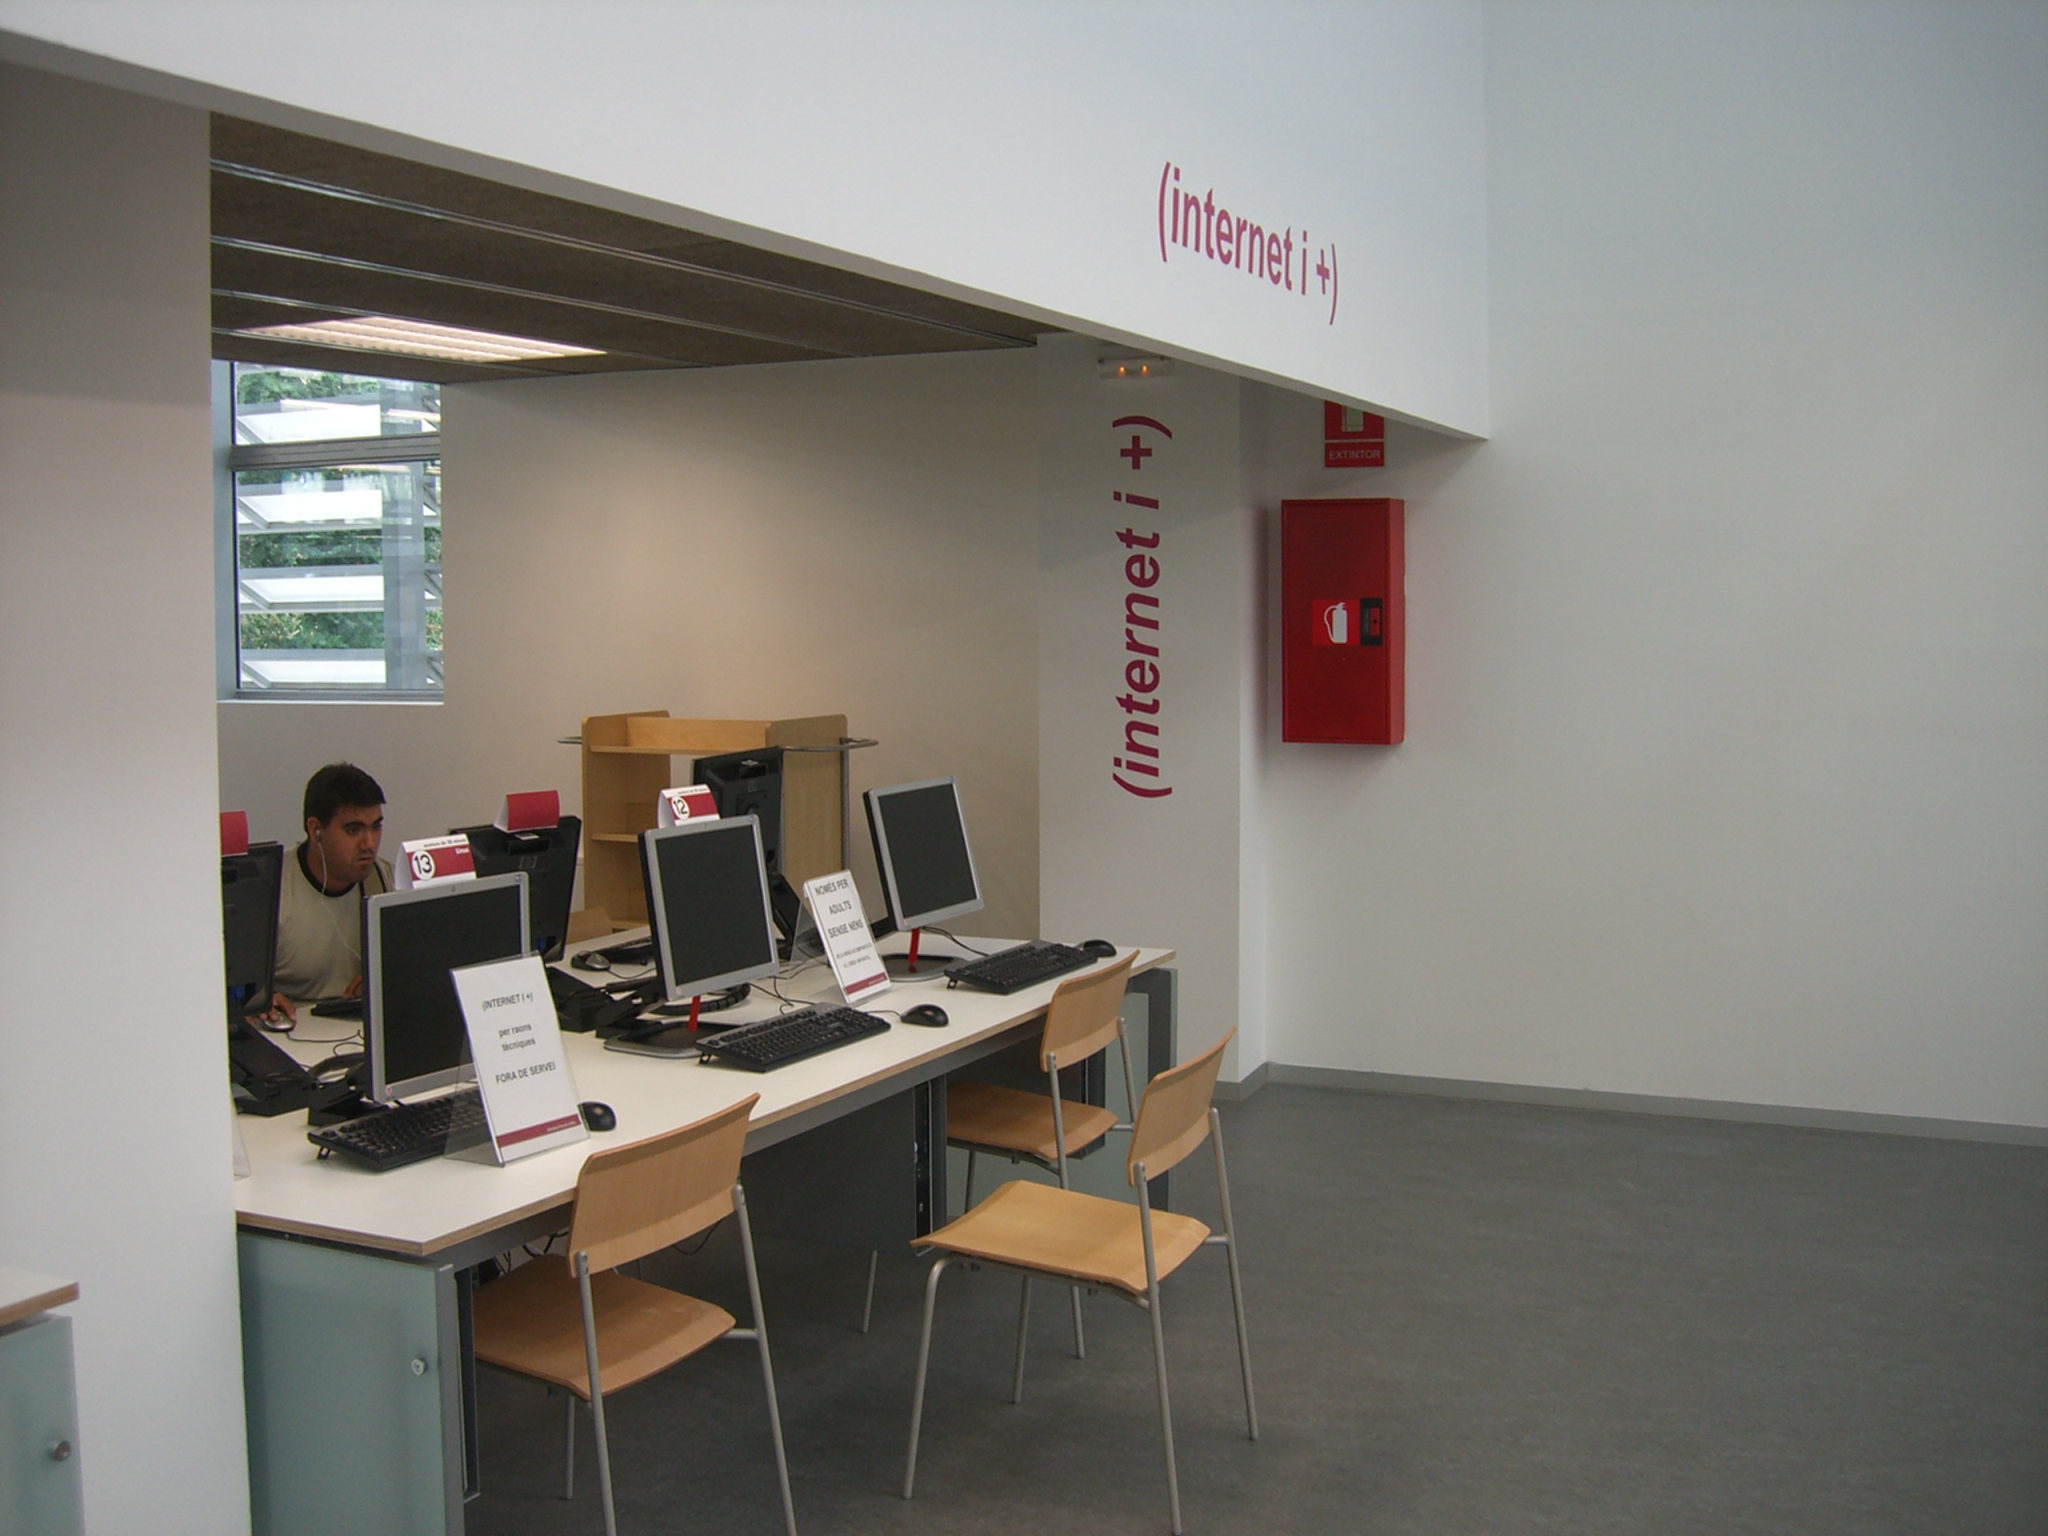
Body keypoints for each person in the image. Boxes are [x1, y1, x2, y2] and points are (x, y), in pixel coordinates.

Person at [269, 762, 393, 1020]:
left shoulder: (386, 881)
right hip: (292, 1026)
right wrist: (258, 999)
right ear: (316, 830)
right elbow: (235, 990)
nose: (369, 843)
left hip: (356, 1025)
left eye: (376, 826)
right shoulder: (274, 889)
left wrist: (387, 979)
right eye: (353, 830)